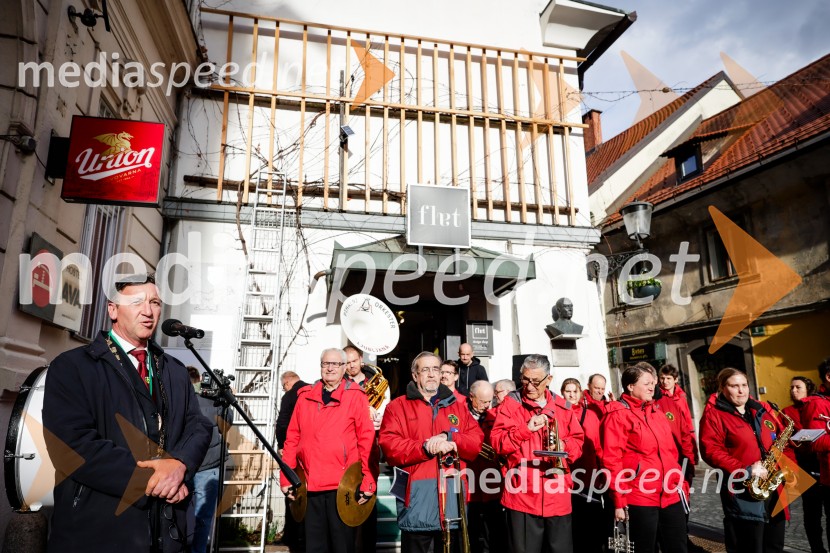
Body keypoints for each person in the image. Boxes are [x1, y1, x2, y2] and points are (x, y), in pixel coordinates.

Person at [42, 273, 212, 552]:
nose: (148, 311)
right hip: (99, 532)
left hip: (166, 532)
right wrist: (158, 481)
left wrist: (180, 464)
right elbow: (71, 446)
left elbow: (197, 425)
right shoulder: (73, 367)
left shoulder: (175, 370)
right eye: (137, 302)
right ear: (113, 310)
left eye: (155, 303)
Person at [379, 351, 484, 553]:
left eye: (435, 369)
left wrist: (450, 438)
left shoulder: (458, 407)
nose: (431, 374)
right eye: (425, 369)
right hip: (415, 502)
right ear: (415, 375)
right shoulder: (397, 407)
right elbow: (390, 447)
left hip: (451, 501)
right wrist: (424, 447)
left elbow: (476, 442)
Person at [280, 349, 376, 553]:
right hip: (309, 485)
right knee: (314, 547)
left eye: (335, 364)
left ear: (344, 368)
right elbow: (292, 438)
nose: (330, 368)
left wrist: (368, 478)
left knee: (342, 547)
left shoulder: (356, 396)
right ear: (321, 366)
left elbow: (367, 440)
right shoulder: (305, 397)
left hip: (342, 487)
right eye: (326, 364)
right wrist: (286, 476)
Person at [491, 354, 585, 553]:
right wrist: (525, 430)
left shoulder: (564, 407)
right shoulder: (511, 405)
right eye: (525, 380)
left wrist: (564, 446)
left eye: (535, 381)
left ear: (549, 379)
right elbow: (497, 444)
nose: (529, 386)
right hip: (522, 496)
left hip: (557, 494)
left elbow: (578, 444)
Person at [699, 367, 795, 553]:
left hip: (774, 488)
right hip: (742, 489)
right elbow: (711, 451)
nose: (741, 390)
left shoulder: (762, 409)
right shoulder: (714, 414)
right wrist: (745, 469)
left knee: (774, 545)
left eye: (744, 385)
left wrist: (789, 468)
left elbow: (782, 440)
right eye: (734, 386)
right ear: (722, 388)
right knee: (750, 546)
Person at [601, 362, 687, 553]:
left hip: (669, 494)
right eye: (646, 383)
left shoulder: (656, 411)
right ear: (631, 386)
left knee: (678, 546)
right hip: (639, 496)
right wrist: (619, 500)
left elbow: (671, 452)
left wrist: (679, 481)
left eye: (652, 383)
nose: (652, 387)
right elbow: (612, 460)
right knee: (643, 548)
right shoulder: (617, 414)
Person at [186, 367, 234, 553]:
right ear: (200, 379)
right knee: (203, 517)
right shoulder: (213, 399)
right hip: (208, 464)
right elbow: (225, 426)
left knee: (175, 513)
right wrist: (226, 399)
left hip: (183, 462)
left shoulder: (178, 397)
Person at [560, 378, 604, 553]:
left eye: (575, 391)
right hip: (566, 477)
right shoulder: (558, 414)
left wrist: (601, 473)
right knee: (572, 526)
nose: (571, 395)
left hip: (588, 476)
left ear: (580, 393)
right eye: (568, 391)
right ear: (562, 393)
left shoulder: (590, 415)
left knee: (591, 524)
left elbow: (598, 447)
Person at [784, 376, 824, 553]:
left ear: (808, 389)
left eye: (798, 387)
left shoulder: (818, 406)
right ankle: (817, 549)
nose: (794, 391)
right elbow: (784, 441)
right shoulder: (786, 412)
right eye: (791, 387)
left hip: (823, 463)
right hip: (804, 466)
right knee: (811, 513)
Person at [466, 380, 506, 553]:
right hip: (469, 483)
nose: (487, 405)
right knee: (471, 532)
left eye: (490, 401)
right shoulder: (460, 416)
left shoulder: (495, 417)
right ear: (471, 397)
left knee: (495, 532)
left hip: (492, 483)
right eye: (482, 401)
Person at [276, 371, 310, 551]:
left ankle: (292, 536)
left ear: (288, 382)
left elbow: (282, 423)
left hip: (293, 451)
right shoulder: (312, 390)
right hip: (310, 452)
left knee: (291, 491)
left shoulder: (289, 396)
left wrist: (281, 445)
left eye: (284, 387)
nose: (284, 389)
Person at [656, 364, 697, 478]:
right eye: (662, 378)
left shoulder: (681, 396)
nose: (665, 381)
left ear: (675, 379)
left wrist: (693, 450)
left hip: (683, 439)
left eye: (668, 378)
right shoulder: (657, 396)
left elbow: (688, 422)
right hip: (668, 442)